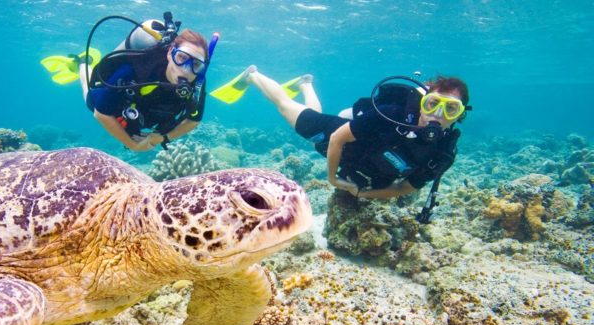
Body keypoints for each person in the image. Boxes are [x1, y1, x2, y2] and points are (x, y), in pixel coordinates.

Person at [242, 66, 470, 200]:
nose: (437, 115)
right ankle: (252, 75)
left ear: (459, 116)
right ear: (422, 103)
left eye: (450, 109)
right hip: (336, 137)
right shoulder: (391, 114)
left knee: (309, 113)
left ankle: (305, 84)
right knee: (285, 106)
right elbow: (337, 138)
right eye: (432, 104)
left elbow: (404, 188)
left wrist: (362, 194)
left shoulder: (443, 154)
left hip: (353, 159)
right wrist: (333, 179)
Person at [79, 28, 211, 152]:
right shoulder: (138, 69)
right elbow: (100, 113)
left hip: (146, 114)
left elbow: (194, 120)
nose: (186, 69)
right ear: (170, 53)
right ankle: (83, 63)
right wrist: (134, 146)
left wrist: (164, 138)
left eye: (196, 64)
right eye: (182, 57)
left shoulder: (197, 82)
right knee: (91, 101)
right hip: (121, 104)